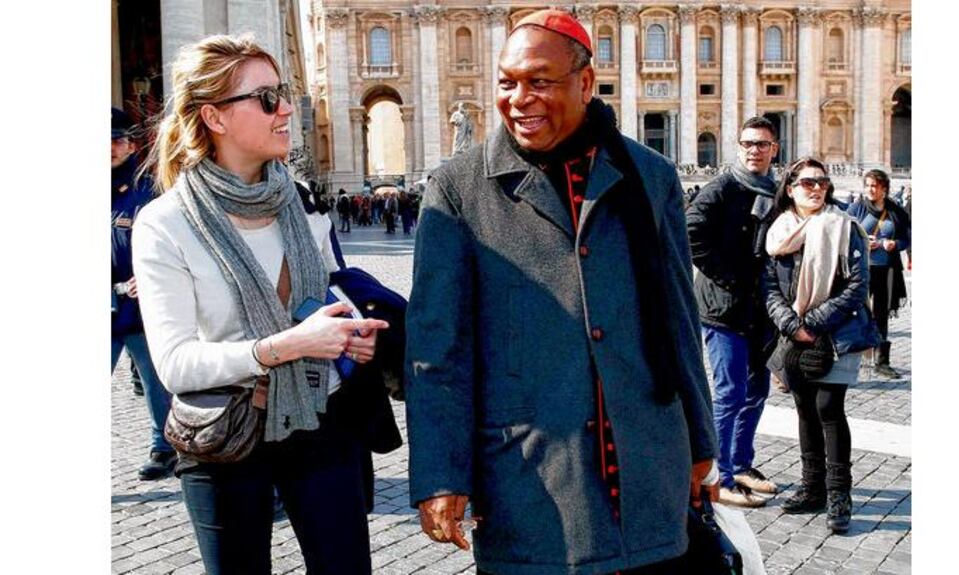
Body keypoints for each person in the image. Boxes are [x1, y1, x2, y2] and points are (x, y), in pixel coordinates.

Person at [405, 11, 718, 574]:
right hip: (532, 477)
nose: (519, 98)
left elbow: (678, 316)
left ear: (586, 84)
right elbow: (437, 349)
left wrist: (700, 443)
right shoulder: (456, 189)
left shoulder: (651, 174)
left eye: (539, 81)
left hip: (647, 459)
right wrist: (440, 474)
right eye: (507, 82)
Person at [131, 35, 392, 575]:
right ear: (215, 117)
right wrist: (285, 346)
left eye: (285, 94)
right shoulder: (166, 223)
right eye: (267, 98)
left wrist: (347, 335)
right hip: (227, 434)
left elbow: (320, 302)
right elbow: (176, 364)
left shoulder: (298, 197)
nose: (288, 110)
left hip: (321, 416)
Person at [763, 157, 880, 534]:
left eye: (822, 183)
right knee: (804, 409)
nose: (817, 189)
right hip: (795, 332)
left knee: (829, 406)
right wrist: (791, 324)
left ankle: (839, 493)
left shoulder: (845, 227)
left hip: (838, 331)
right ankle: (811, 486)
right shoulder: (777, 230)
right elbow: (768, 285)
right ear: (791, 187)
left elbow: (857, 285)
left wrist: (811, 323)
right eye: (808, 182)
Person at [686, 116, 781, 507]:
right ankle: (720, 476)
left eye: (761, 144)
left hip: (759, 309)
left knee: (756, 390)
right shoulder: (721, 188)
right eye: (747, 144)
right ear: (737, 147)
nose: (754, 150)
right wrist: (729, 278)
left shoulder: (776, 190)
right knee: (729, 392)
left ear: (774, 148)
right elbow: (691, 232)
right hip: (723, 308)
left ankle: (742, 462)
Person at [111, 106, 177, 480]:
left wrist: (149, 274)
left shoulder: (149, 186)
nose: (110, 148)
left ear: (132, 144)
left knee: (155, 382)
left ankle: (164, 447)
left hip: (138, 305)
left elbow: (168, 238)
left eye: (117, 140)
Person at [847, 169, 911, 379]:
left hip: (887, 270)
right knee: (855, 312)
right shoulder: (857, 208)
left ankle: (882, 361)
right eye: (867, 185)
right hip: (860, 270)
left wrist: (896, 244)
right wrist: (863, 243)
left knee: (881, 315)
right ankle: (853, 357)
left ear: (884, 188)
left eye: (874, 186)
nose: (870, 190)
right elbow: (845, 233)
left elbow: (907, 238)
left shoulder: (896, 211)